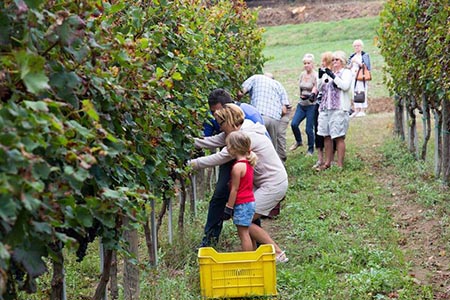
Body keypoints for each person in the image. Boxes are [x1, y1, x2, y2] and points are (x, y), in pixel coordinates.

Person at [189, 103, 289, 262]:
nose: (220, 128)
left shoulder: (244, 138)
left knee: (245, 222)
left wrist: (189, 165)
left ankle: (277, 254)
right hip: (267, 183)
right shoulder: (239, 131)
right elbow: (210, 141)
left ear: (229, 121)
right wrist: (188, 140)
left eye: (221, 124)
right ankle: (256, 255)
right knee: (245, 221)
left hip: (273, 184)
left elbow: (218, 158)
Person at [200, 88, 264, 248]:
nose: (215, 117)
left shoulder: (244, 120)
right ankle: (211, 240)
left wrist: (193, 164)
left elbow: (220, 156)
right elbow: (213, 139)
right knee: (232, 196)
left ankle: (212, 241)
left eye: (216, 112)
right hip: (237, 154)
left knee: (233, 196)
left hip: (245, 156)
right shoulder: (228, 119)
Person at [237, 73, 290, 162]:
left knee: (256, 145)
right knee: (271, 148)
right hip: (274, 119)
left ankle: (257, 169)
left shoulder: (256, 77)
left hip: (259, 116)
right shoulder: (278, 85)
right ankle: (274, 168)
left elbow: (241, 92)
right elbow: (284, 110)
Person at [316, 50, 353, 170]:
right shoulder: (329, 73)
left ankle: (340, 164)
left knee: (338, 136)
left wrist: (333, 76)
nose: (334, 62)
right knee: (326, 135)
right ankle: (328, 162)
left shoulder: (346, 72)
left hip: (339, 108)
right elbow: (320, 88)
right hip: (326, 107)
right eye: (333, 60)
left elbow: (345, 86)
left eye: (337, 60)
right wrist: (321, 76)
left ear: (342, 61)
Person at [222, 131, 258, 251]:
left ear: (233, 148)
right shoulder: (248, 163)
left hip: (242, 204)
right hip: (249, 202)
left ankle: (247, 260)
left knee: (243, 234)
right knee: (247, 232)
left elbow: (235, 189)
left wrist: (229, 207)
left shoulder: (237, 167)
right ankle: (252, 258)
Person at [289, 53, 318, 155]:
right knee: (294, 124)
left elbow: (316, 88)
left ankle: (311, 149)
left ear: (312, 64)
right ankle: (299, 141)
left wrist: (312, 95)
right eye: (305, 63)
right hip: (301, 104)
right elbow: (300, 87)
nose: (306, 65)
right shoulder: (302, 74)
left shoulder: (315, 75)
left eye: (308, 63)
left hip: (311, 105)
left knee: (308, 128)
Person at [313, 51, 333, 169]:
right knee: (319, 131)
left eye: (324, 60)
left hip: (331, 106)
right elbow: (319, 87)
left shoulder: (333, 73)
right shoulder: (321, 73)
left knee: (331, 133)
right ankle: (321, 159)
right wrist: (320, 77)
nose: (322, 63)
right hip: (320, 105)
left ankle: (329, 159)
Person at [348, 39, 371, 117]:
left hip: (361, 76)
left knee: (362, 91)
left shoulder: (365, 55)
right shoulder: (352, 56)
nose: (356, 47)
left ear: (361, 46)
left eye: (358, 46)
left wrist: (358, 62)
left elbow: (367, 66)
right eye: (355, 46)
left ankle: (362, 110)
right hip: (353, 76)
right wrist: (351, 62)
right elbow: (348, 66)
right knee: (354, 92)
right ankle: (356, 109)